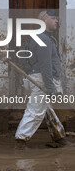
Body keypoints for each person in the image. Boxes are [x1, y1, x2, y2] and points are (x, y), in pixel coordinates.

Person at [15, 9, 66, 150]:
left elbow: (24, 58)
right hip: (43, 80)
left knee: (46, 109)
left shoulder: (38, 37)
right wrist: (50, 88)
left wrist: (30, 73)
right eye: (53, 18)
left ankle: (59, 136)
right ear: (44, 20)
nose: (56, 21)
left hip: (36, 77)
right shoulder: (44, 39)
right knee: (35, 111)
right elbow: (45, 66)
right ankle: (20, 141)